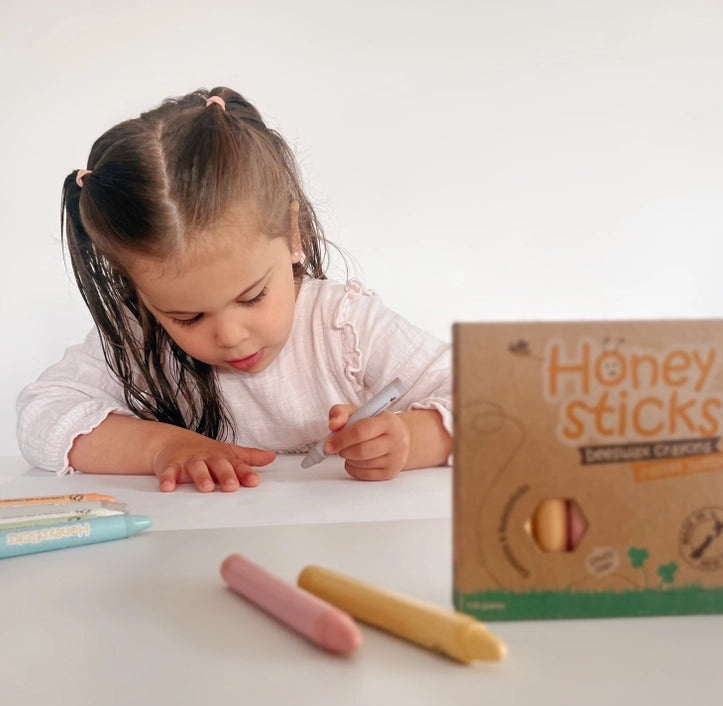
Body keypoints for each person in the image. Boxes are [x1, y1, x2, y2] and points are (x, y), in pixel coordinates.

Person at [16, 87, 452, 492]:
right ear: (139, 291)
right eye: (187, 317)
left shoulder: (344, 326)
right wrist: (160, 447)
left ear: (293, 235)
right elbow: (42, 414)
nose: (229, 335)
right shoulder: (138, 337)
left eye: (252, 297)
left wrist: (412, 439)